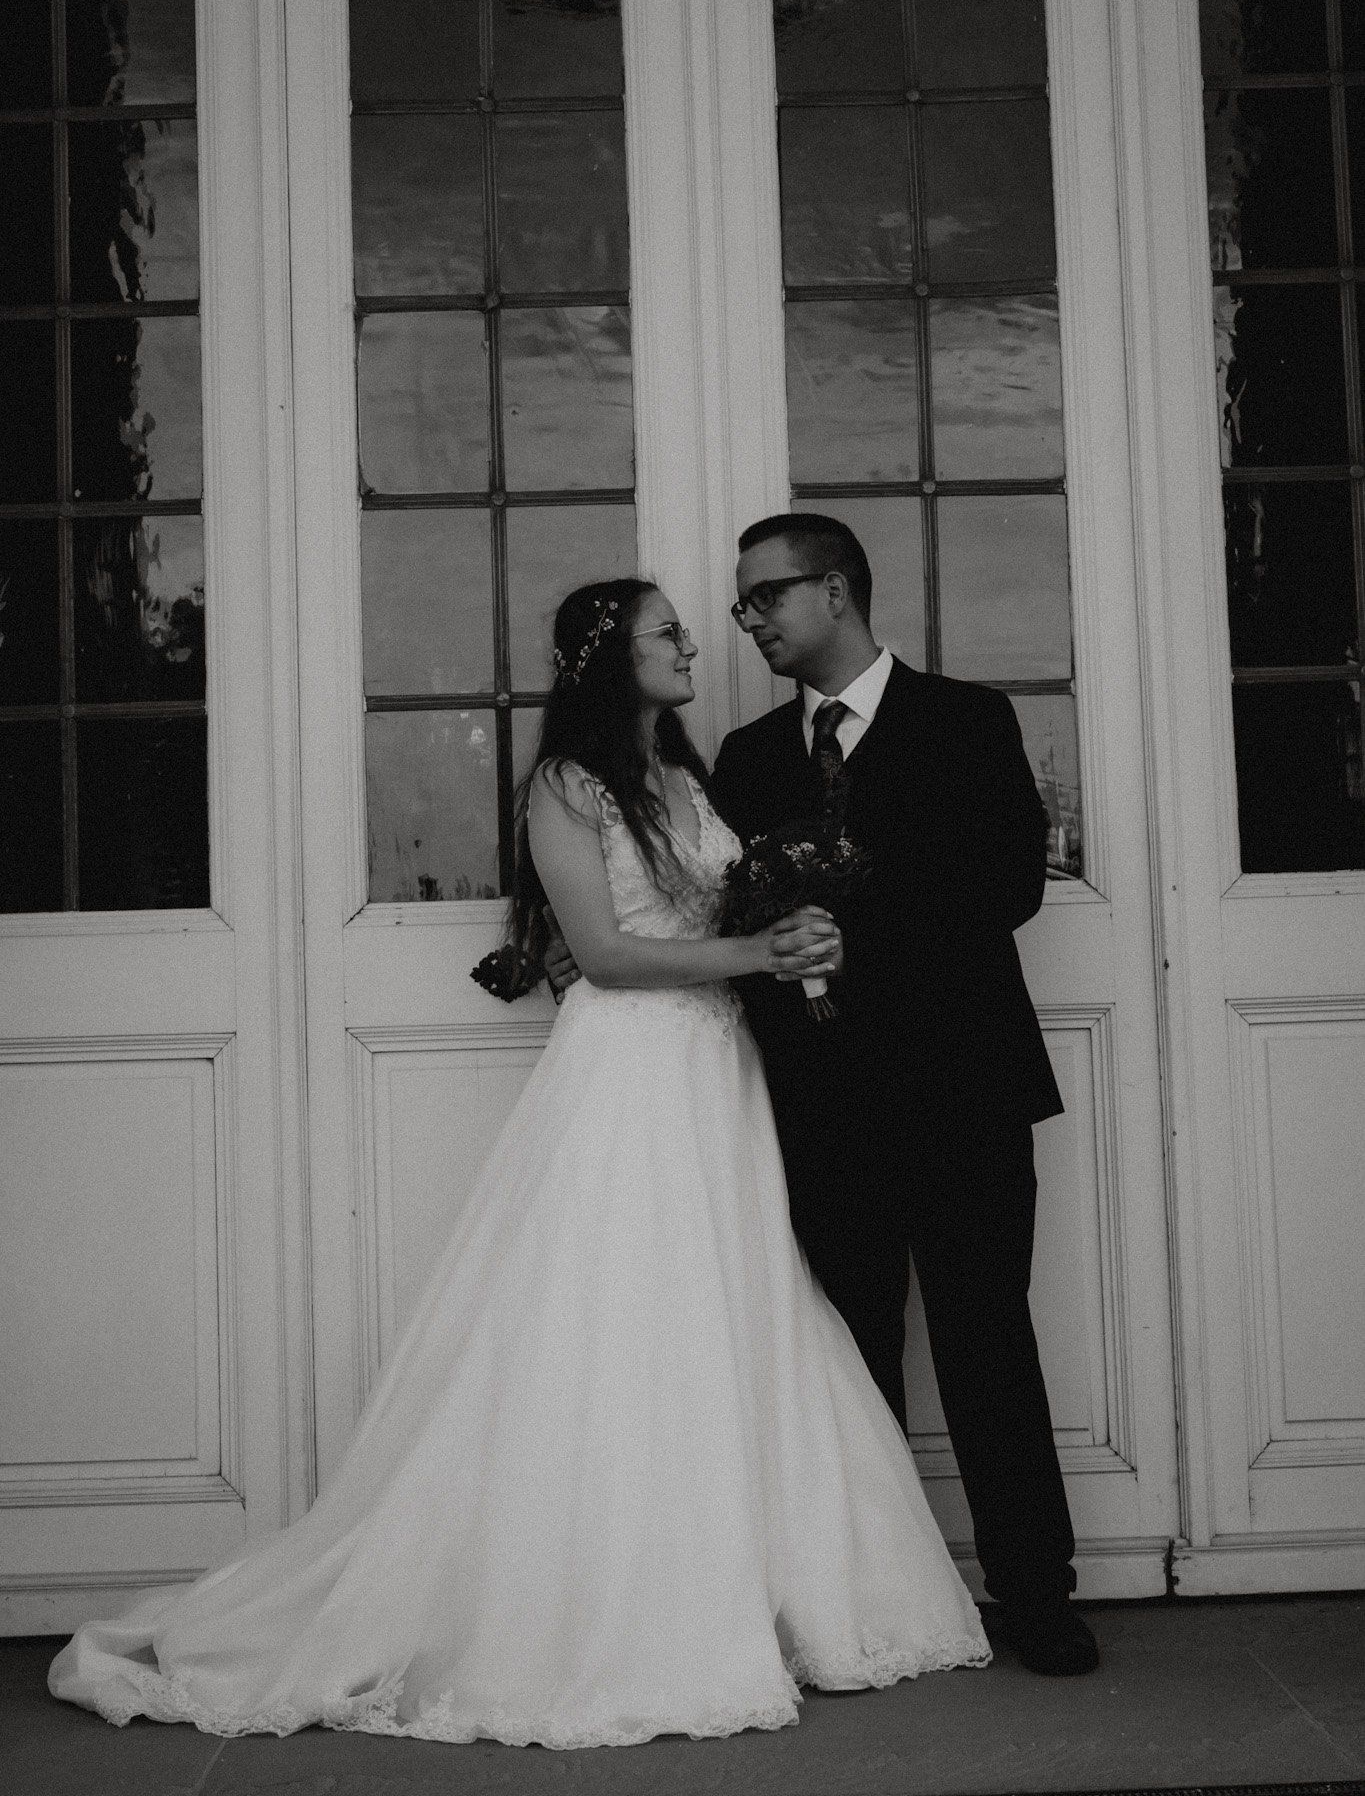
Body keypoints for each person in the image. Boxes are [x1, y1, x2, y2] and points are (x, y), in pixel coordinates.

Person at [49, 576, 990, 1750]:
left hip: (718, 1070)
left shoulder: (689, 775)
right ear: (612, 657)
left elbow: (708, 911)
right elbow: (603, 952)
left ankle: (762, 1590)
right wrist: (758, 950)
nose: (691, 644)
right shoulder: (564, 785)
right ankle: (613, 1609)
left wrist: (788, 930)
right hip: (632, 1073)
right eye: (667, 632)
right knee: (621, 1316)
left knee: (733, 1306)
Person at [713, 513, 1097, 1677]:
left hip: (964, 1087)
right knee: (851, 1352)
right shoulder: (748, 755)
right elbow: (725, 910)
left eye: (767, 596)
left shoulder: (966, 719)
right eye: (742, 604)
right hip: (823, 1104)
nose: (751, 620)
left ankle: (1035, 1590)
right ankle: (875, 1600)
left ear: (835, 590)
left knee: (987, 1340)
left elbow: (1008, 883)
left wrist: (853, 920)